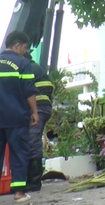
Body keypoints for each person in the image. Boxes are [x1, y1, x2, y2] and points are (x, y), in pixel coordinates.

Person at [0, 31, 39, 203]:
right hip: (17, 117)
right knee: (19, 153)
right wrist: (35, 113)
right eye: (24, 48)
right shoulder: (22, 64)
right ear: (17, 46)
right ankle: (18, 193)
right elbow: (29, 91)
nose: (25, 51)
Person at [24, 51, 52, 192]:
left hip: (38, 108)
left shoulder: (28, 68)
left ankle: (34, 182)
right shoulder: (33, 67)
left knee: (32, 140)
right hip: (41, 107)